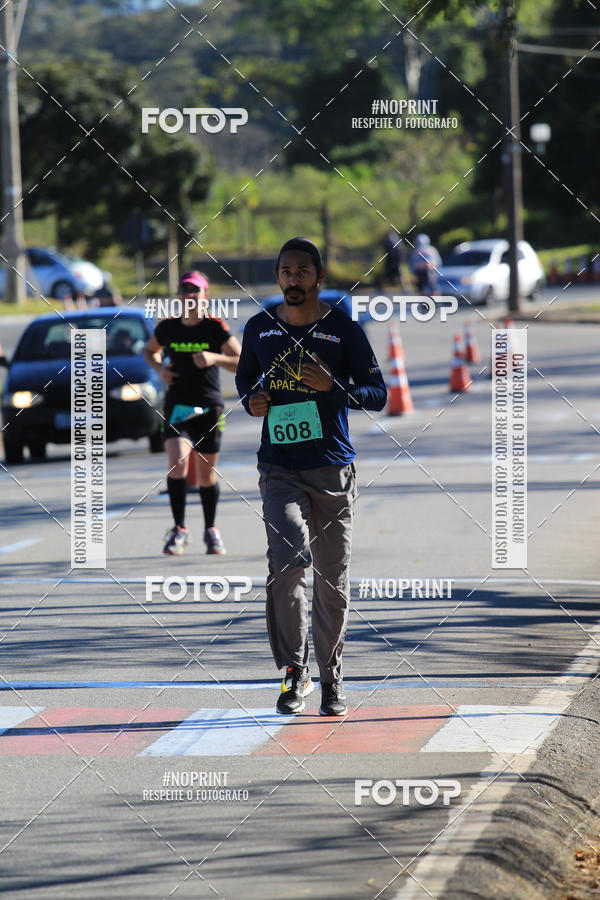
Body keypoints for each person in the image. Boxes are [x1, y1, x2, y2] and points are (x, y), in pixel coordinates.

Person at [235, 237, 386, 717]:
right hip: (278, 469)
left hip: (332, 470)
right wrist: (252, 400)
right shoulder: (259, 329)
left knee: (332, 579)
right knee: (289, 563)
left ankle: (331, 677)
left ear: (319, 278)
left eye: (303, 272)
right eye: (285, 272)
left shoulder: (343, 331)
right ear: (277, 277)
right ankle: (291, 673)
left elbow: (377, 393)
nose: (293, 280)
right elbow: (245, 381)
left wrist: (335, 388)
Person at [143, 271, 241, 555]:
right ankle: (179, 530)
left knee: (206, 475)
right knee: (178, 462)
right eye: (184, 290)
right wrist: (160, 369)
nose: (189, 296)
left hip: (209, 406)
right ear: (178, 296)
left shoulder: (215, 328)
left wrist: (215, 357)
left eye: (195, 291)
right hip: (178, 406)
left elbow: (241, 360)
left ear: (205, 295)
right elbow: (150, 351)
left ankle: (211, 530)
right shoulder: (168, 327)